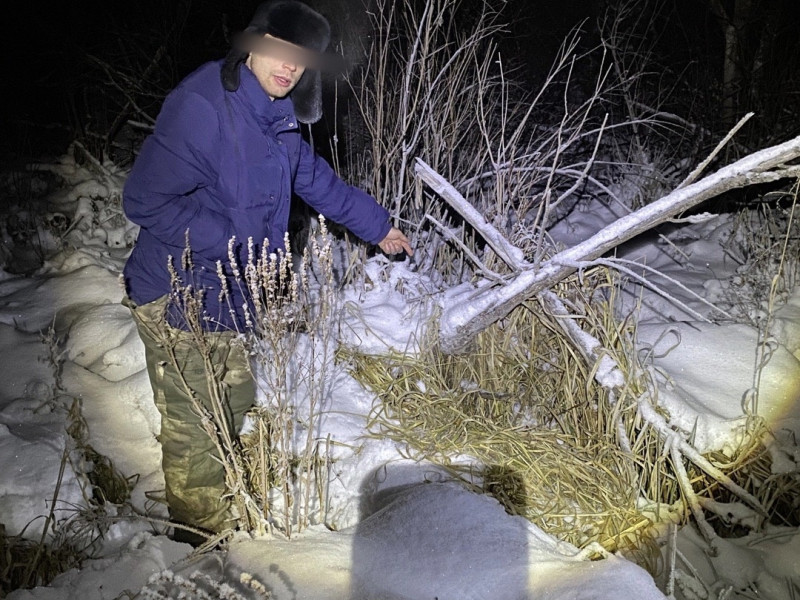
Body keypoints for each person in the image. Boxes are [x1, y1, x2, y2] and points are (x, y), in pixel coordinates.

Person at [121, 0, 412, 542]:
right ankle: (200, 539)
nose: (288, 66)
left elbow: (316, 180)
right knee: (196, 426)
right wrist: (230, 243)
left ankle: (217, 496)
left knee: (232, 400)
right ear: (253, 43)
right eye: (279, 51)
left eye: (301, 60)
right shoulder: (203, 105)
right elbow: (143, 201)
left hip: (231, 293)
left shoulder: (278, 115)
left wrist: (378, 227)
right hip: (177, 290)